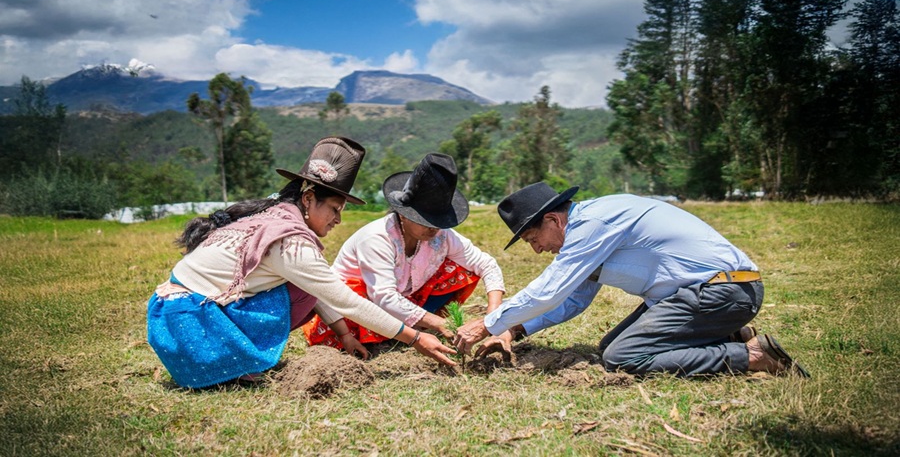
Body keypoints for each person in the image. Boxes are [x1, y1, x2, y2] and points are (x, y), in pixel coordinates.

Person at [147, 137, 456, 389]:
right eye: (334, 208)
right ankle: (233, 363)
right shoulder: (290, 242)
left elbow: (318, 290)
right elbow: (346, 300)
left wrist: (345, 335)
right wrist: (416, 338)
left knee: (303, 289)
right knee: (301, 292)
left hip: (177, 321)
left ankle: (236, 357)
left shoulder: (273, 218)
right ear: (308, 199)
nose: (338, 219)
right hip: (190, 331)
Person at [453, 182, 809, 378]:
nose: (537, 250)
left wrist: (487, 324)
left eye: (534, 239)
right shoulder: (589, 228)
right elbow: (573, 298)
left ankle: (751, 356)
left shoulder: (592, 224)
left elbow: (551, 290)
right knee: (611, 345)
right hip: (709, 293)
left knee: (623, 357)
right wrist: (513, 329)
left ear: (554, 220)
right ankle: (727, 332)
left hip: (724, 291)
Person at [303, 153, 505, 349]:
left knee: (461, 269)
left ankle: (413, 328)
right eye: (425, 221)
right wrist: (439, 323)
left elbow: (487, 265)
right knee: (359, 298)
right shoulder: (377, 238)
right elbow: (384, 297)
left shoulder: (442, 236)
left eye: (438, 222)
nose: (434, 228)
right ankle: (398, 335)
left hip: (402, 301)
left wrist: (492, 318)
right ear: (404, 214)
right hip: (351, 313)